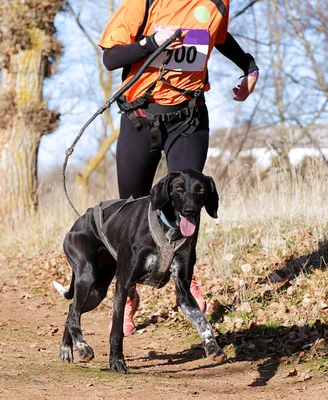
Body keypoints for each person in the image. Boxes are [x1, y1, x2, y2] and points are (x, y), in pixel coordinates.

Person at [98, 0, 259, 335]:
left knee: (189, 200)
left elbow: (219, 37)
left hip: (189, 116)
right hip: (140, 117)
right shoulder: (143, 3)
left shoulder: (217, 2)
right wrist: (152, 43)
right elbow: (111, 59)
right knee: (130, 211)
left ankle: (184, 279)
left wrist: (249, 67)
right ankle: (128, 291)